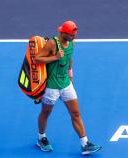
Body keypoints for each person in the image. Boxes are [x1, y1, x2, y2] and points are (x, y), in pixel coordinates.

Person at [34, 20, 102, 155]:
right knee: (46, 113)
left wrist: (70, 72)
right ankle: (41, 138)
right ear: (63, 33)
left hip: (66, 84)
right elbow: (37, 58)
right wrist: (55, 57)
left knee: (76, 113)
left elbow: (69, 56)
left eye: (74, 35)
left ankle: (85, 144)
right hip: (52, 87)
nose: (73, 37)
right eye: (71, 35)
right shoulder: (52, 43)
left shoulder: (72, 42)